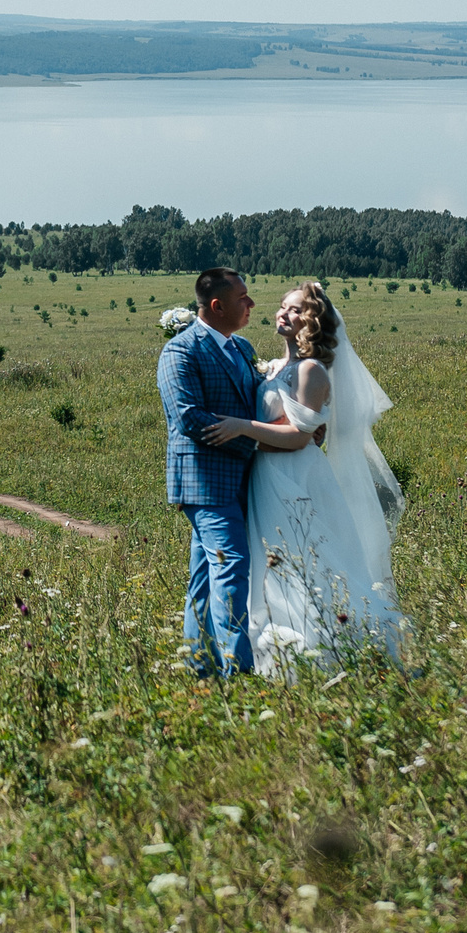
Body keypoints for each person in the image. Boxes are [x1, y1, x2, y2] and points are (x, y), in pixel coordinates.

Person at [197, 282, 409, 673]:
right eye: (282, 307)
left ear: (311, 321)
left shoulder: (312, 370)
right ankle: (278, 650)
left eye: (294, 310)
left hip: (295, 479)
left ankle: (329, 647)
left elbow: (297, 438)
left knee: (307, 561)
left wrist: (242, 427)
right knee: (271, 564)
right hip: (266, 476)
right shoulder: (276, 367)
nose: (283, 314)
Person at [157, 267, 294, 676]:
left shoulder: (242, 346)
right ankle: (239, 672)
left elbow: (253, 401)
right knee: (231, 567)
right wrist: (259, 441)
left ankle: (199, 666)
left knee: (204, 576)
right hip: (203, 481)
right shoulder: (181, 352)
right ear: (217, 306)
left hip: (244, 479)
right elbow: (189, 419)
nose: (252, 304)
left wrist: (295, 425)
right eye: (243, 298)